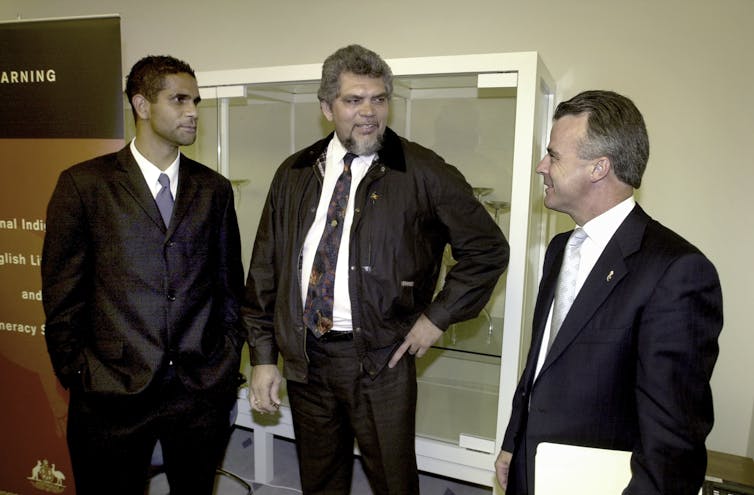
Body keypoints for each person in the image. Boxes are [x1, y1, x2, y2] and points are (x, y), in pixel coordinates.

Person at [242, 44, 509, 494]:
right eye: (353, 100)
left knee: (393, 482)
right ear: (327, 107)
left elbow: (487, 249)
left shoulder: (423, 171)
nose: (369, 112)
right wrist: (265, 357)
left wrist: (436, 318)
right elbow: (266, 270)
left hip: (382, 360)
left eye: (379, 99)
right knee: (320, 481)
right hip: (307, 358)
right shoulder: (294, 173)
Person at [495, 90, 723, 494]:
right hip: (531, 471)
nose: (541, 166)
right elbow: (540, 363)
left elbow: (673, 445)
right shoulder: (561, 248)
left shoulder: (677, 272)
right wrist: (514, 442)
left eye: (554, 155)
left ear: (599, 168)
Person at [41, 55, 245, 495]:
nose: (193, 111)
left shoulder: (214, 190)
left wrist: (225, 363)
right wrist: (80, 373)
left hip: (197, 390)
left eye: (196, 101)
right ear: (142, 104)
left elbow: (230, 288)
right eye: (179, 100)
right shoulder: (85, 185)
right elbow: (62, 295)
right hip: (111, 392)